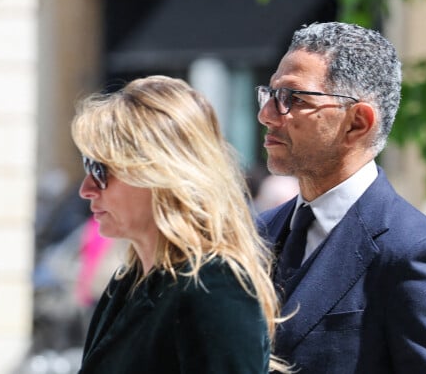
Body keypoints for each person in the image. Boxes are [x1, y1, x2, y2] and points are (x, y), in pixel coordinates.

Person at [255, 22, 426, 373]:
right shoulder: (257, 232)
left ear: (357, 123)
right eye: (270, 94)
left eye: (292, 99)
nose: (266, 115)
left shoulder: (414, 254)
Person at [71, 75, 289, 374]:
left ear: (161, 173)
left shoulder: (215, 286)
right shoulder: (129, 282)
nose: (86, 188)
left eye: (100, 169)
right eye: (87, 165)